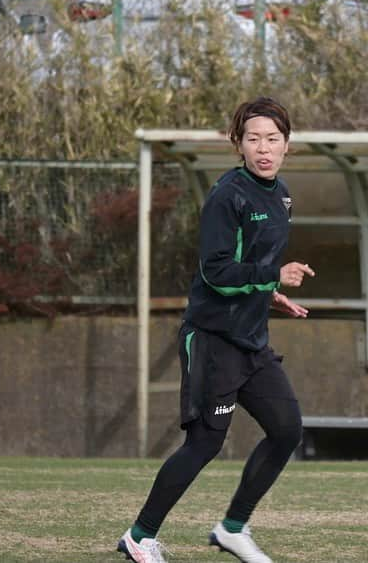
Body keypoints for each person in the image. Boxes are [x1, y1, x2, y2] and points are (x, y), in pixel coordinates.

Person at [118, 96, 315, 563]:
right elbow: (216, 272)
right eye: (253, 139)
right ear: (238, 144)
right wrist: (271, 278)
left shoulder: (282, 194)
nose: (263, 148)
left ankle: (232, 528)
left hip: (251, 341)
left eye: (272, 139)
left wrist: (270, 295)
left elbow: (255, 265)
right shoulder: (228, 195)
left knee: (287, 429)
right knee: (205, 443)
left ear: (287, 144)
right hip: (212, 340)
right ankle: (139, 537)